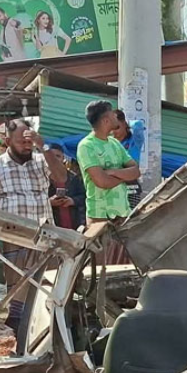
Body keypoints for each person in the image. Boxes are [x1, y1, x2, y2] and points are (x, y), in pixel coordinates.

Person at [0, 118, 53, 330]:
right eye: (22, 142)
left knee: (46, 285)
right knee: (18, 286)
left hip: (45, 235)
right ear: (8, 141)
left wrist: (43, 146)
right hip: (14, 237)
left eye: (29, 141)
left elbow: (61, 177)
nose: (27, 146)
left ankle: (44, 328)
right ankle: (18, 328)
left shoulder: (41, 160)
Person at [77, 101, 141, 263]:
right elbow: (102, 182)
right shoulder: (86, 146)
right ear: (106, 120)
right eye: (113, 114)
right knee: (100, 266)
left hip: (122, 216)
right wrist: (124, 176)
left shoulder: (114, 143)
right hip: (100, 218)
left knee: (124, 265)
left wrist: (113, 172)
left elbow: (135, 171)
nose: (115, 116)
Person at [45, 143, 86, 229]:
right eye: (51, 156)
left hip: (74, 226)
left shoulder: (73, 178)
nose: (54, 159)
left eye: (58, 156)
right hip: (50, 227)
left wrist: (72, 201)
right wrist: (49, 202)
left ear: (63, 158)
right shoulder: (40, 178)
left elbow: (85, 197)